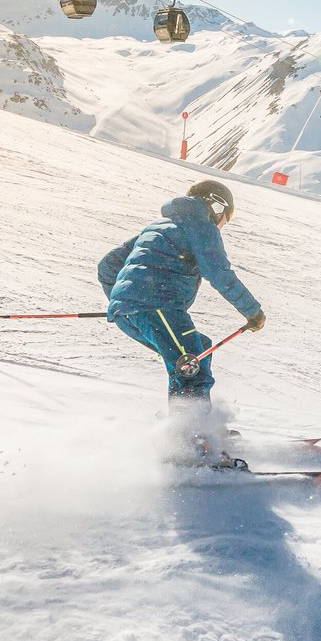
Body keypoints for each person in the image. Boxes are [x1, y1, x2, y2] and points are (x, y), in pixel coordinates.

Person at [98, 180, 265, 452]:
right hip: (158, 307)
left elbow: (107, 267)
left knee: (198, 351)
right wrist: (253, 312)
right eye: (227, 217)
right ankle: (188, 441)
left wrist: (122, 302)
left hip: (134, 313)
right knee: (191, 368)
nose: (224, 223)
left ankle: (193, 427)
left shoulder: (158, 226)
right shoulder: (201, 226)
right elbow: (218, 273)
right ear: (215, 206)